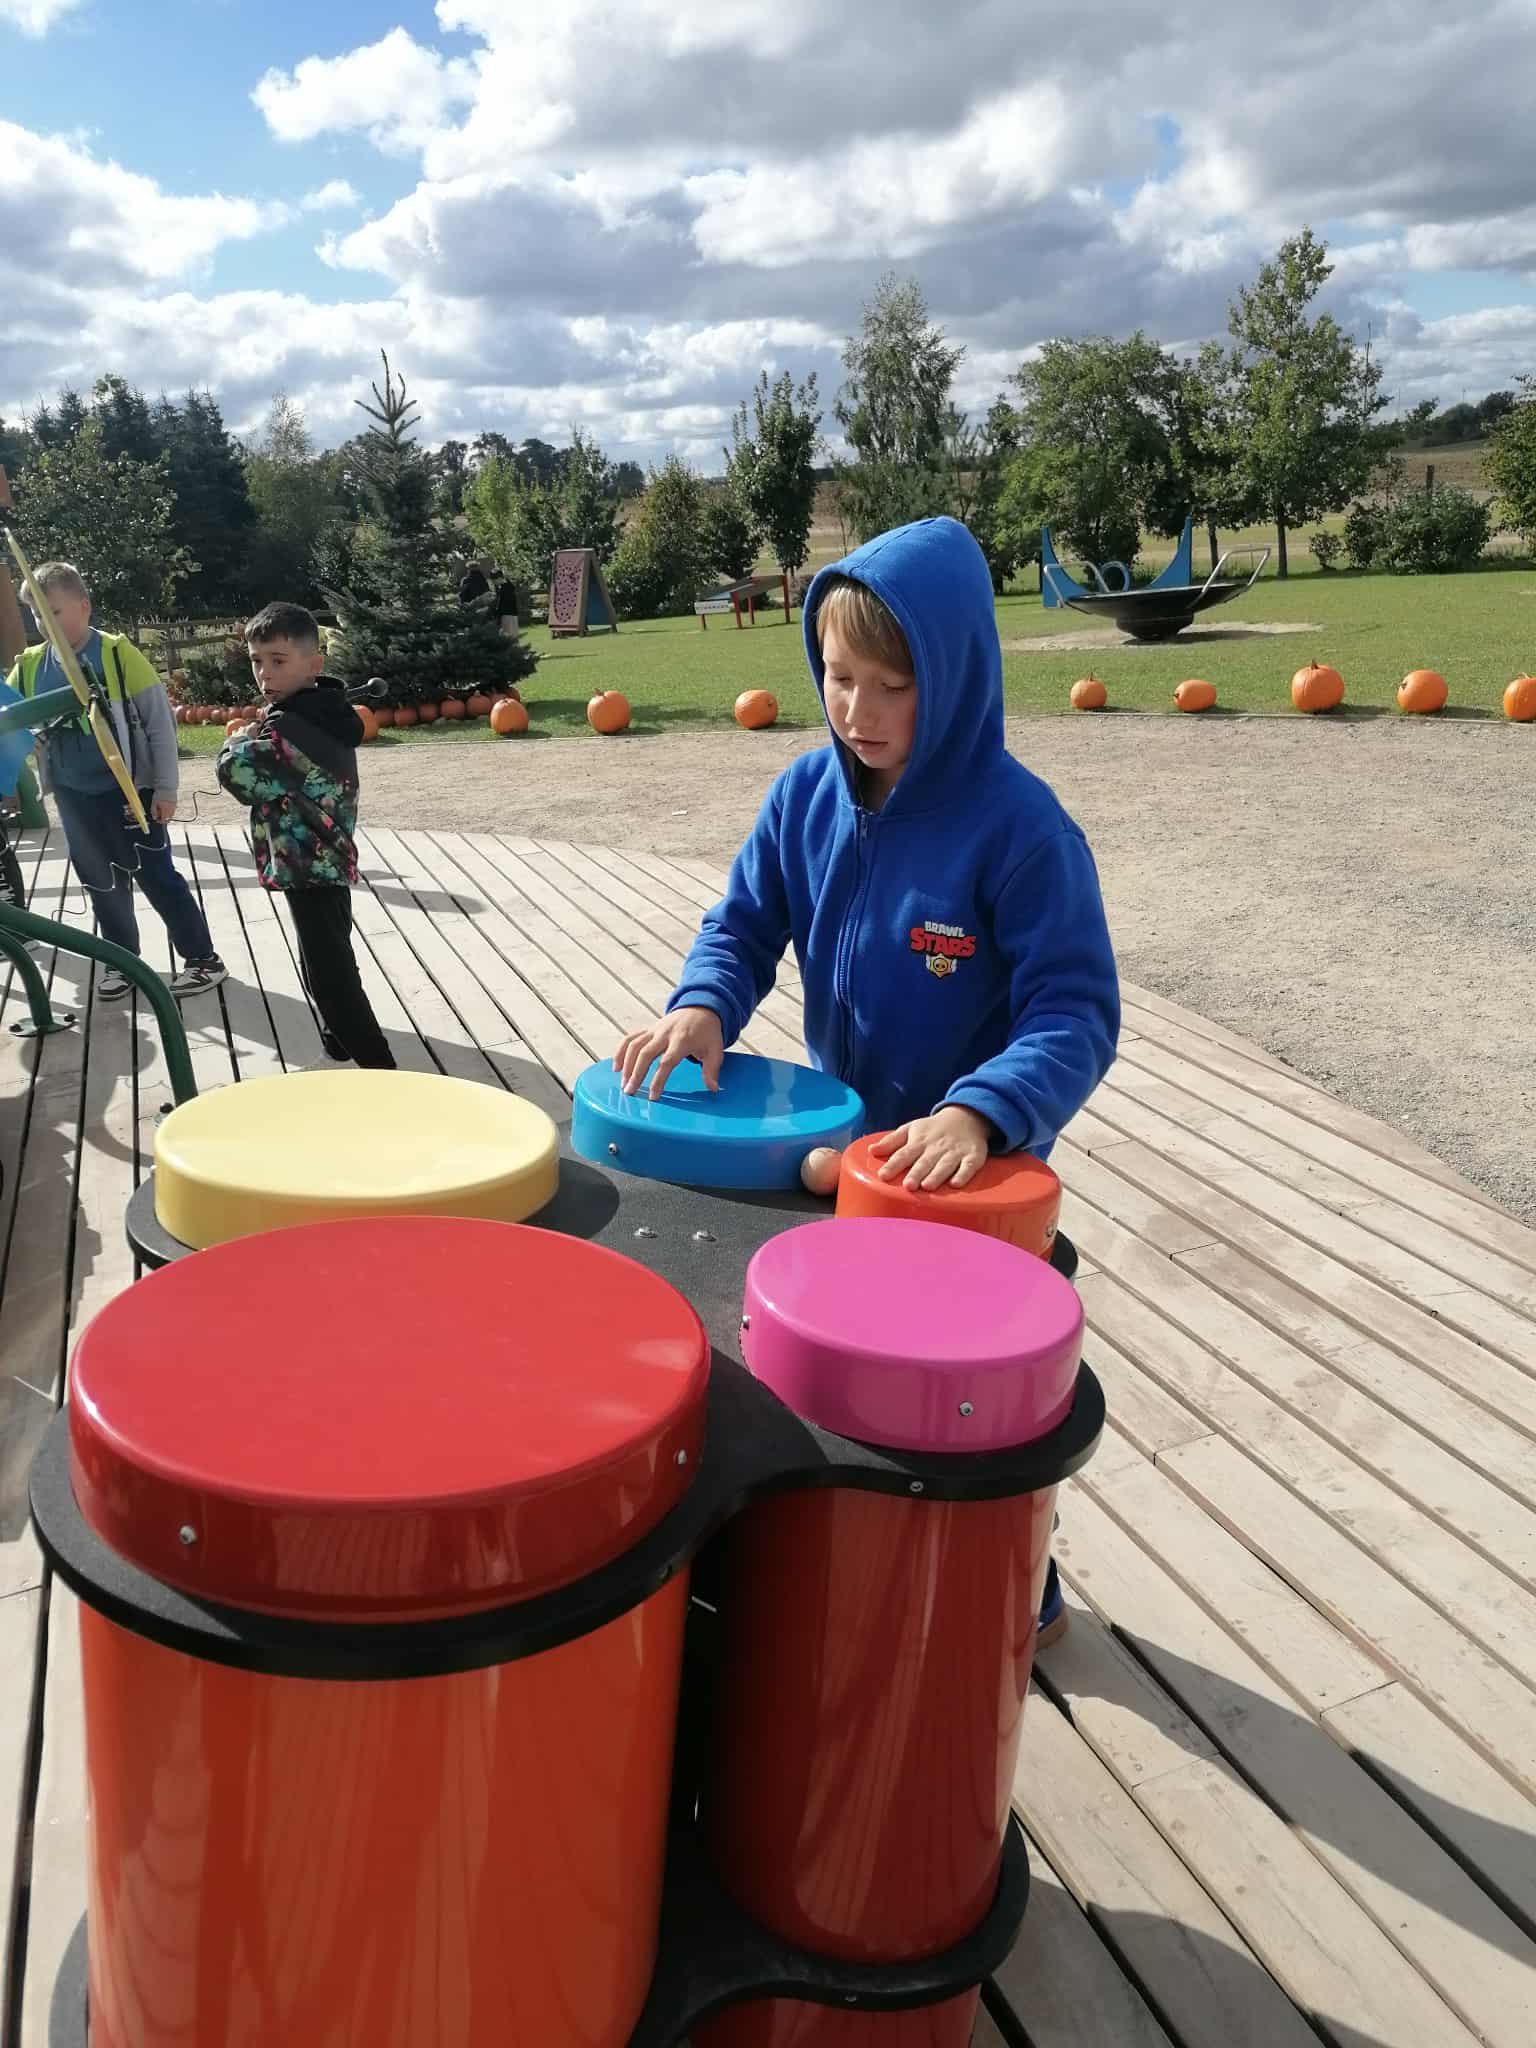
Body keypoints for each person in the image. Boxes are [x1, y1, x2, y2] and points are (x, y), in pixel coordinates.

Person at [613, 515, 1120, 1645]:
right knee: (847, 1381)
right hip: (849, 1157)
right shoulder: (805, 794)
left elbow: (1076, 1012)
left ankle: (1015, 1583)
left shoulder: (1023, 832)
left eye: (895, 686)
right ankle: (844, 1572)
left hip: (972, 1182)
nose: (860, 710)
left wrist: (981, 1111)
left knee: (971, 1406)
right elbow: (744, 923)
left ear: (957, 675)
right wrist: (704, 1002)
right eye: (841, 677)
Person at [5, 562, 226, 999]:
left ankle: (203, 958)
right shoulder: (29, 667)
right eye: (36, 615)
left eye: (54, 612)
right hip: (73, 796)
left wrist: (165, 789)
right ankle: (122, 962)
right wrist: (25, 737)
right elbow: (9, 719)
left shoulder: (117, 654)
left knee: (156, 876)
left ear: (84, 607)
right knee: (101, 883)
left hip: (130, 791)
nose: (45, 624)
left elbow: (160, 725)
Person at [216, 602, 394, 1069]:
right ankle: (338, 1047)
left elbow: (239, 776)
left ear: (314, 665)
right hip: (319, 861)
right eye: (257, 661)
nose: (264, 672)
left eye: (278, 660)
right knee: (325, 961)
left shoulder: (294, 729)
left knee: (331, 979)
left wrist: (236, 741)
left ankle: (382, 1070)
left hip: (312, 865)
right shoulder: (317, 714)